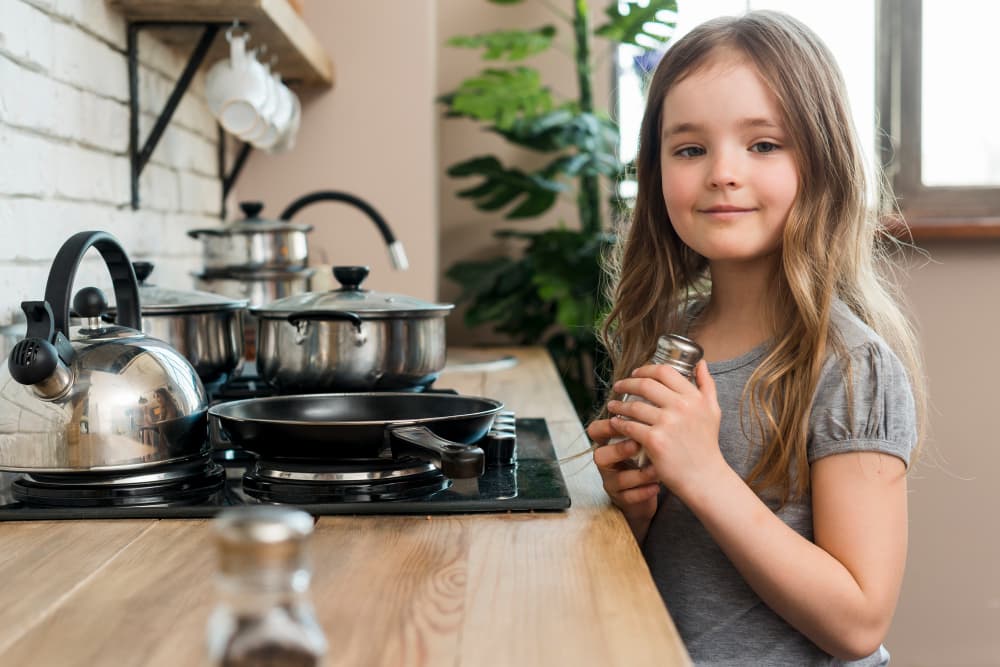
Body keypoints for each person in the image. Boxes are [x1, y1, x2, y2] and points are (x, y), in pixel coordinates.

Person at [587, 10, 924, 666]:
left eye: (763, 144)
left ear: (822, 161)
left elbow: (858, 622)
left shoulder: (852, 367)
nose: (722, 172)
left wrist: (703, 472)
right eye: (690, 148)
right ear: (657, 173)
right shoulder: (669, 342)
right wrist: (632, 509)